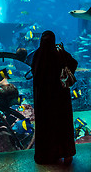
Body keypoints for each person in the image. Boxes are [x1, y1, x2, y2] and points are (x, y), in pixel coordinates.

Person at [31, 30, 78, 165]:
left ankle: (46, 156)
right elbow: (73, 64)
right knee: (63, 126)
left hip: (43, 101)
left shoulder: (38, 54)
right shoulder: (59, 53)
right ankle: (66, 154)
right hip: (60, 100)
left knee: (46, 127)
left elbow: (34, 71)